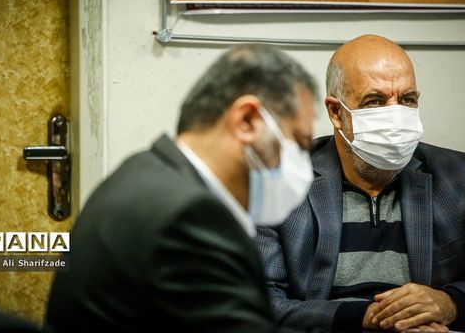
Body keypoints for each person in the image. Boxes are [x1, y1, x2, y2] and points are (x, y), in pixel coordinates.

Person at [256, 34, 465, 332]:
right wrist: (369, 317)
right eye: (375, 101)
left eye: (407, 99)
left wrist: (448, 303)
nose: (395, 115)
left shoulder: (458, 176)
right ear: (336, 112)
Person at [46, 44, 320, 332]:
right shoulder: (188, 218)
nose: (304, 165)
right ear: (247, 121)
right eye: (300, 143)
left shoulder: (146, 172)